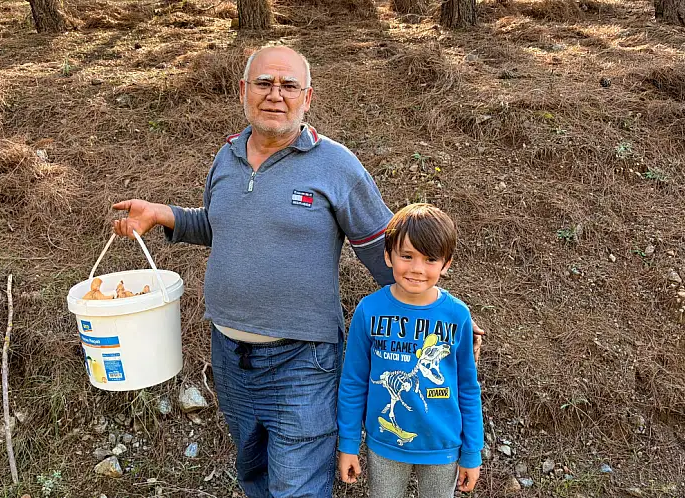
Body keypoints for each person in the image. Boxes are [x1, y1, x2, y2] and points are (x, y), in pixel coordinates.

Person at [111, 45, 484, 498]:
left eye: (289, 85)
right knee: (254, 475)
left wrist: (440, 318)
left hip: (303, 361)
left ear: (307, 98)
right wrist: (163, 214)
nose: (275, 94)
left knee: (297, 488)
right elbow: (221, 225)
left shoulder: (337, 166)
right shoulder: (225, 158)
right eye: (264, 83)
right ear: (244, 91)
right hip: (230, 356)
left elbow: (387, 249)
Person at [337, 203, 483, 498]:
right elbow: (353, 381)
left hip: (443, 446)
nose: (417, 268)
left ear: (446, 263)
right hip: (385, 444)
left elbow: (468, 387)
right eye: (407, 256)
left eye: (430, 259)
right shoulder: (369, 311)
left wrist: (472, 451)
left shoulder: (457, 315)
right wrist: (348, 443)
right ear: (388, 255)